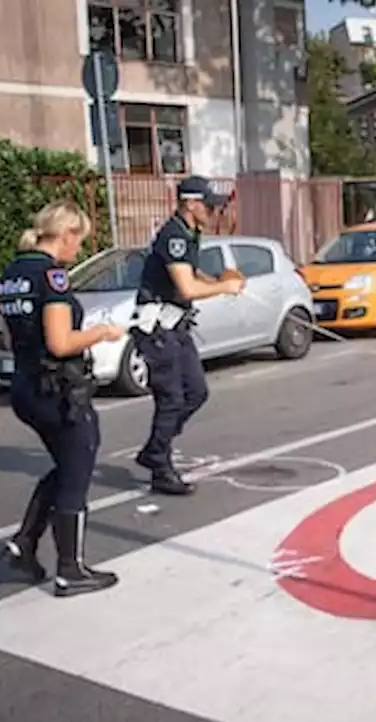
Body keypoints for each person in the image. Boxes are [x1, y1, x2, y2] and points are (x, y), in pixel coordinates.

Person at [0, 200, 127, 597]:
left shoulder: (13, 272)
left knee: (65, 465)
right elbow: (59, 342)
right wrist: (102, 333)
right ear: (66, 234)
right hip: (55, 389)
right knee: (78, 468)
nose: (79, 250)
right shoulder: (51, 276)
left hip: (24, 384)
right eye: (79, 240)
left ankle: (25, 542)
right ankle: (70, 569)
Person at [132, 175, 245, 495]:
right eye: (208, 206)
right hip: (157, 328)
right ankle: (160, 463)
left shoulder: (189, 234)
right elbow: (185, 287)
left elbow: (191, 273)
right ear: (190, 204)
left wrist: (219, 279)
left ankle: (156, 449)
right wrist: (225, 288)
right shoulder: (174, 236)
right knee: (171, 399)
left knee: (196, 392)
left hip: (176, 326)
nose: (213, 212)